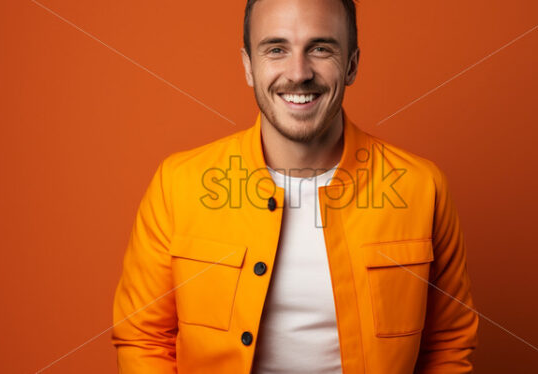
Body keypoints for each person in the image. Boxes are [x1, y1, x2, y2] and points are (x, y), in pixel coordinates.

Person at [111, 0, 478, 373]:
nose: (299, 73)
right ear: (248, 66)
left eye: (320, 48)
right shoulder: (177, 184)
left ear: (351, 65)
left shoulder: (421, 187)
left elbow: (448, 342)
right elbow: (143, 338)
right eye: (276, 49)